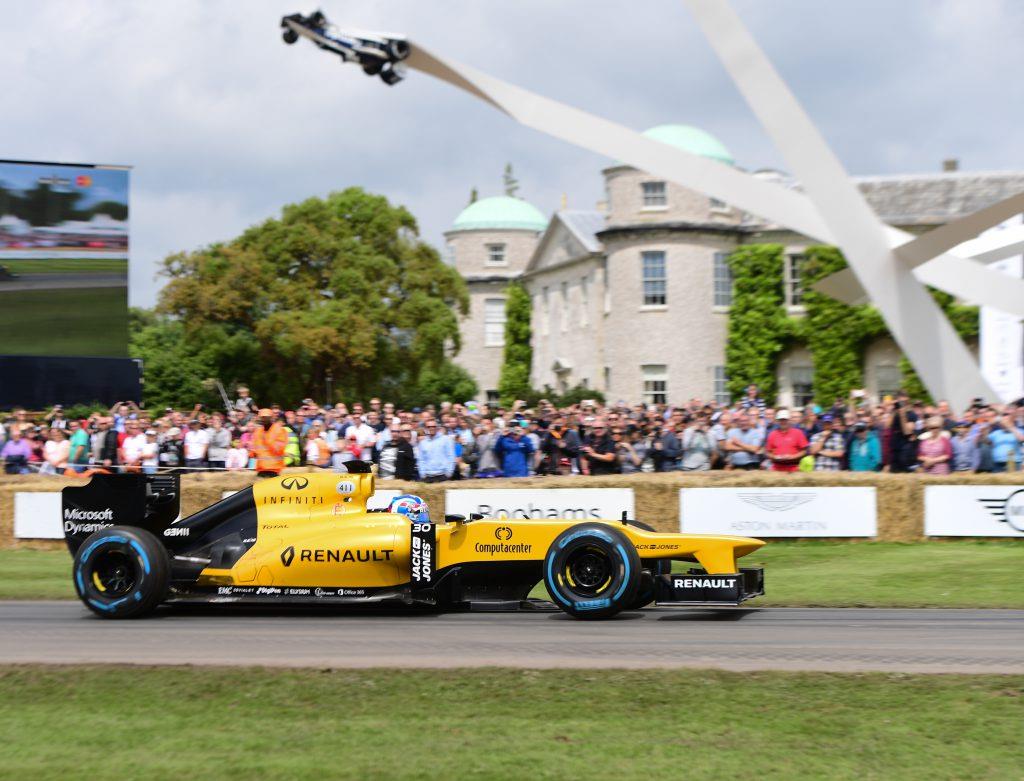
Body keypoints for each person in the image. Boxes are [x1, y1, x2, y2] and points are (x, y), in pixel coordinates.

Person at [252, 409, 289, 477]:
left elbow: (279, 449)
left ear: (271, 418)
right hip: (261, 469)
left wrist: (267, 439)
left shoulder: (280, 430)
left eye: (266, 417)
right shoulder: (258, 431)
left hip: (274, 469)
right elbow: (255, 447)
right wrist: (252, 452)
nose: (264, 419)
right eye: (262, 417)